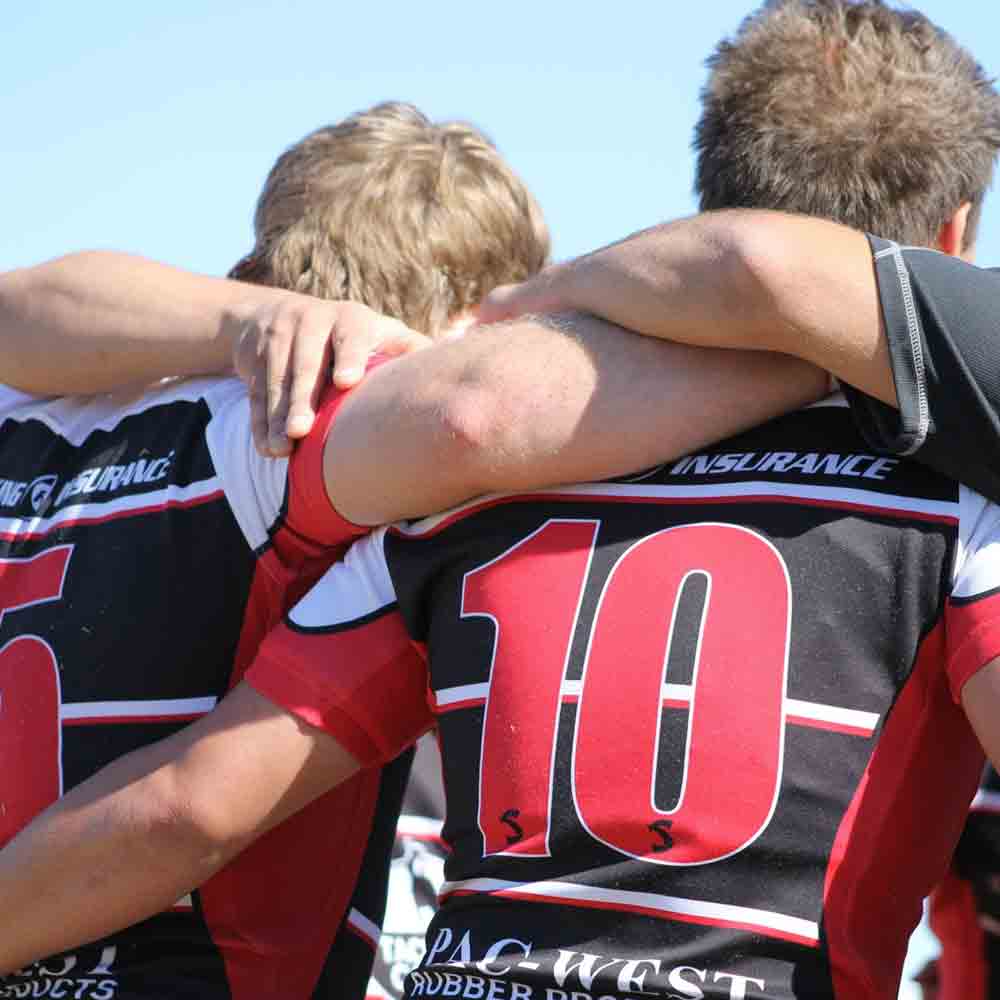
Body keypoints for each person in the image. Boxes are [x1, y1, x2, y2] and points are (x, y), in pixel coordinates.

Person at [4, 2, 1000, 997]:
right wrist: (855, 374)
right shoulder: (957, 499)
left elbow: (192, 801)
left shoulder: (473, 501)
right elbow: (482, 405)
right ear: (951, 237)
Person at [0, 99, 563, 999]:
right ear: (467, 319)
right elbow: (478, 414)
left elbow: (18, 306)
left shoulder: (47, 408)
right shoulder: (311, 436)